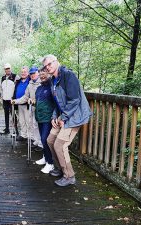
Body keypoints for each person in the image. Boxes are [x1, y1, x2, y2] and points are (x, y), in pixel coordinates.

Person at [43, 54, 92, 187]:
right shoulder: (53, 80)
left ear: (56, 62)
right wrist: (54, 116)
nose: (47, 67)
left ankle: (69, 176)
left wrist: (63, 118)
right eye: (45, 66)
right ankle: (61, 168)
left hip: (74, 116)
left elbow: (75, 100)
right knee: (50, 140)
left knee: (60, 145)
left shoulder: (68, 75)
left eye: (50, 64)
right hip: (63, 114)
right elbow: (57, 102)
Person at [12, 66, 43, 149]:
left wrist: (35, 100)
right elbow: (25, 97)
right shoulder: (30, 84)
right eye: (31, 74)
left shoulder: (42, 82)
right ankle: (36, 141)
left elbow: (44, 95)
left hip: (40, 108)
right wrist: (16, 101)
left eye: (34, 73)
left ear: (38, 73)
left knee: (36, 125)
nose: (32, 75)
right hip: (32, 107)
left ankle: (40, 143)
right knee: (33, 124)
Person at [34, 70, 55, 174]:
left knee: (45, 139)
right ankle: (45, 157)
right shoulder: (39, 88)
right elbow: (38, 101)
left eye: (44, 74)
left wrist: (54, 116)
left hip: (48, 117)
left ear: (49, 75)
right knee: (43, 140)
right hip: (39, 117)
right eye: (41, 74)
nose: (42, 76)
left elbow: (56, 102)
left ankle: (50, 163)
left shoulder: (51, 87)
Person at [0, 63, 20, 134]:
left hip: (12, 100)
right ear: (4, 70)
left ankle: (16, 131)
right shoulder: (3, 78)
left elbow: (18, 87)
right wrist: (1, 97)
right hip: (5, 99)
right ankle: (7, 129)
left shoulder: (15, 76)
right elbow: (1, 88)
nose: (7, 70)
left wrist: (15, 97)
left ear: (10, 68)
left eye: (8, 68)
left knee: (13, 115)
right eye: (6, 69)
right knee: (6, 114)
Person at [12, 66, 30, 141]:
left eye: (25, 72)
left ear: (28, 73)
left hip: (27, 104)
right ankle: (23, 135)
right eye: (22, 72)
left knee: (28, 121)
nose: (23, 73)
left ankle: (30, 137)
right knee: (21, 121)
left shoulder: (30, 80)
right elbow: (15, 91)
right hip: (19, 104)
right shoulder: (18, 81)